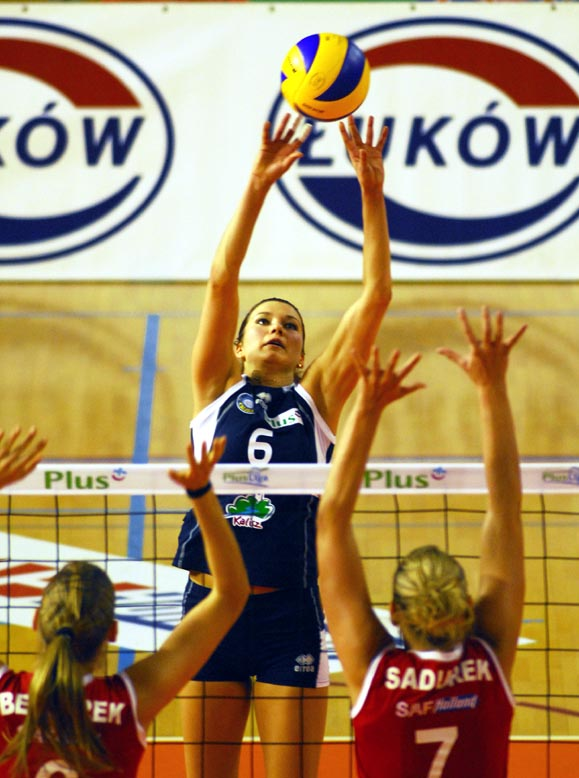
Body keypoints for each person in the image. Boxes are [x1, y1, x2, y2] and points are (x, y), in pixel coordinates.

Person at [172, 112, 391, 778]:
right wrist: (258, 184)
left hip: (288, 614)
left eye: (290, 326)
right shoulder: (214, 388)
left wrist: (370, 192)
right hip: (209, 609)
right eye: (263, 322)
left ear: (301, 355)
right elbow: (221, 279)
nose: (275, 328)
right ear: (239, 345)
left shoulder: (315, 399)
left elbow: (376, 295)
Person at [316, 307, 527, 778]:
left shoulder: (375, 676)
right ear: (467, 605)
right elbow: (506, 508)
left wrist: (366, 408)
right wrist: (492, 387)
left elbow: (329, 520)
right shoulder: (488, 660)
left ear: (394, 612)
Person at [0, 438, 249, 777]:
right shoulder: (129, 701)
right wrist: (202, 493)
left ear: (36, 621)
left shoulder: (6, 696)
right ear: (113, 632)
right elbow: (231, 595)